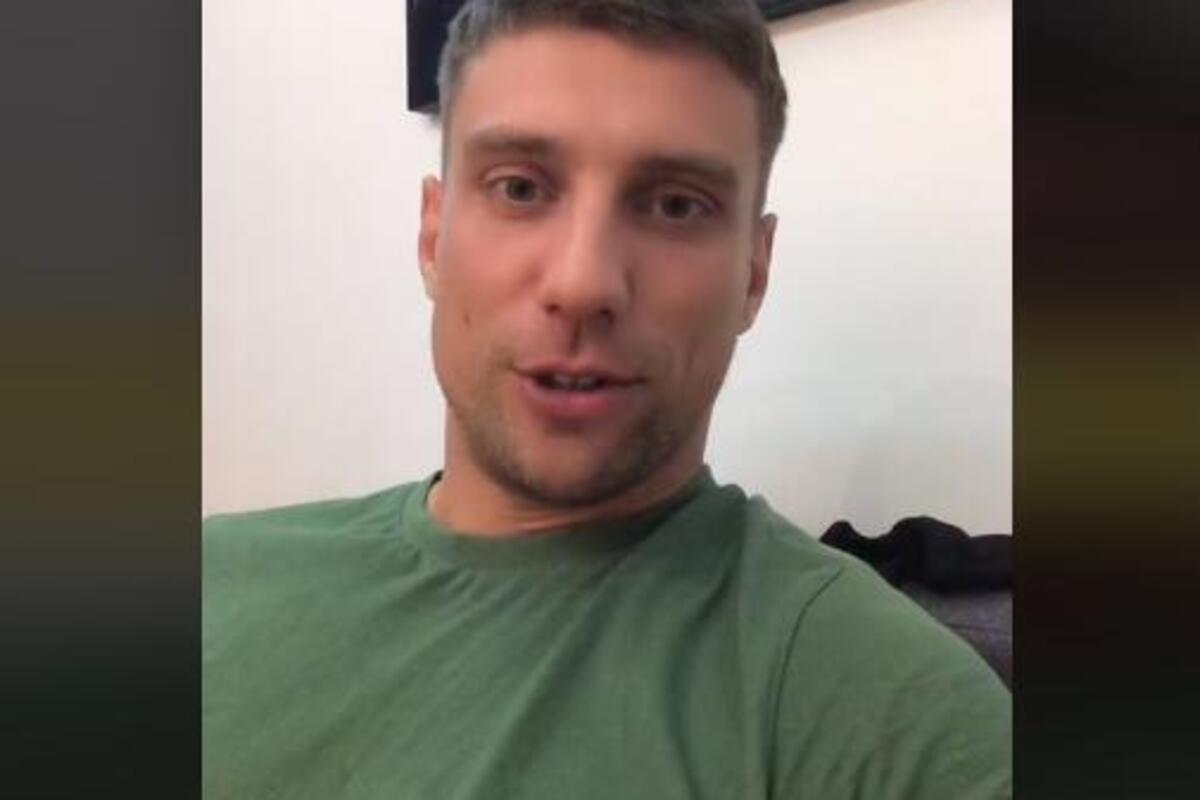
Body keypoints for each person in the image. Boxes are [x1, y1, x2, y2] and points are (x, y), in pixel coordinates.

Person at [203, 1, 1012, 797]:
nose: (584, 282)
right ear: (432, 236)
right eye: (520, 188)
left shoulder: (888, 713)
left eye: (676, 204)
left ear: (753, 275)